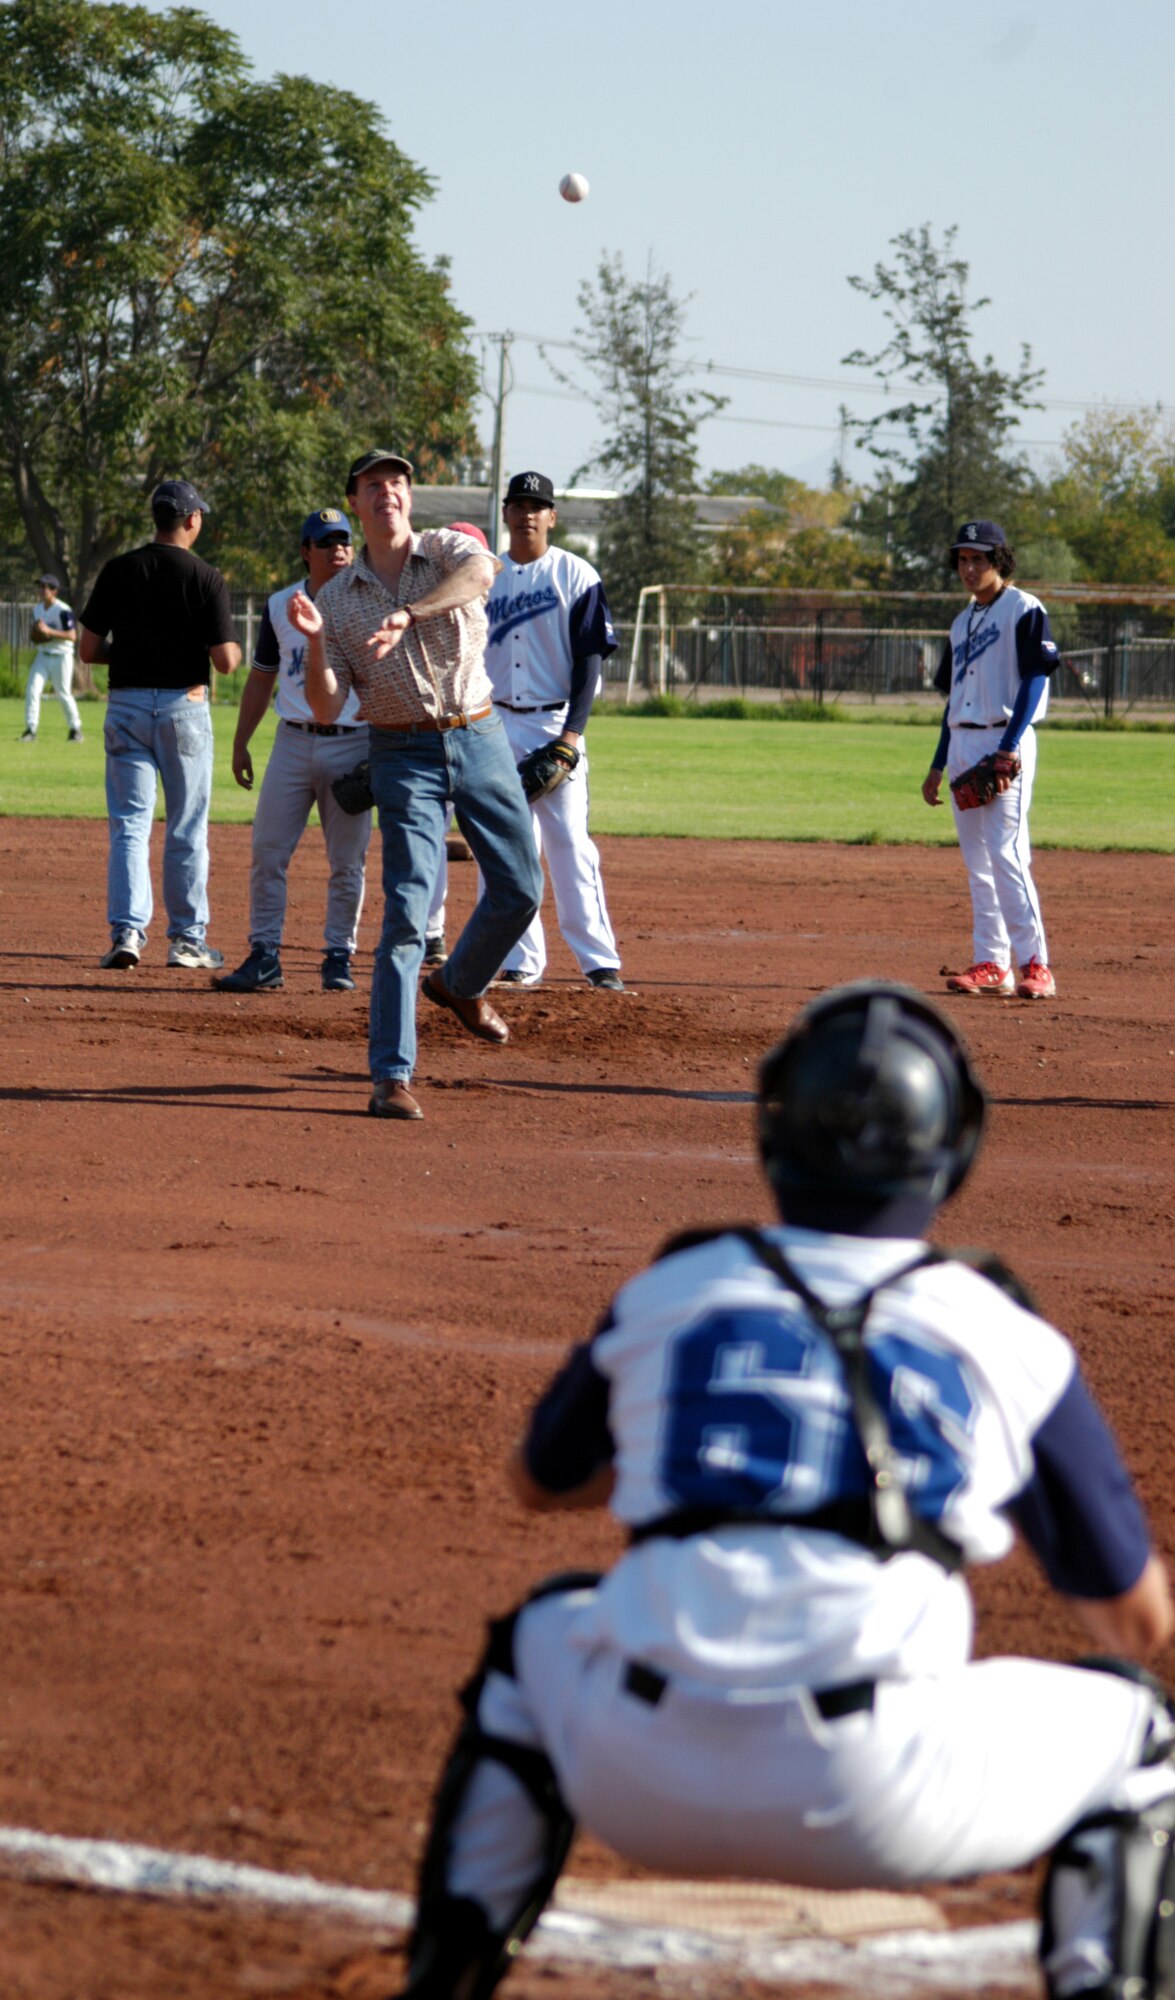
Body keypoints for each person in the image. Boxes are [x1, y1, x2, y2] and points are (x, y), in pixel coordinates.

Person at [397, 981, 1175, 2000]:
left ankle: (441, 1981)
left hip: (639, 1772)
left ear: (771, 1133)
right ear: (953, 1145)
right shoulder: (998, 1327)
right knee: (1142, 1731)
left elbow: (537, 1482)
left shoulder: (678, 1283)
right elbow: (1133, 1618)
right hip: (884, 1790)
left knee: (538, 1633)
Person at [290, 449, 543, 1122]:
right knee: (405, 913)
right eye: (374, 485)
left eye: (397, 482)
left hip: (478, 734)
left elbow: (480, 577)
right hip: (401, 752)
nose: (388, 494)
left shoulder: (447, 549)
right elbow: (324, 705)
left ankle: (458, 984)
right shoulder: (334, 602)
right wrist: (315, 642)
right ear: (355, 500)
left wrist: (411, 615)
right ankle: (390, 1076)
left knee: (521, 886)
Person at [79, 478, 241, 971]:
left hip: (125, 708)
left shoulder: (118, 569)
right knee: (186, 828)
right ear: (191, 519)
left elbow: (88, 650)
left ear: (157, 519)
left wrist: (128, 655)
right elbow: (227, 661)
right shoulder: (206, 577)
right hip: (183, 710)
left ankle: (127, 932)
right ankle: (188, 941)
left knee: (130, 826)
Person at [212, 508, 370, 994]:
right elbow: (261, 678)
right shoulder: (282, 604)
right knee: (267, 851)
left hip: (352, 743)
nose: (338, 549)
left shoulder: (369, 603)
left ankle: (339, 955)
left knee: (348, 861)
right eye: (326, 542)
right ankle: (264, 954)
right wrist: (240, 743)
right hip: (293, 741)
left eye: (344, 540)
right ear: (306, 552)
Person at [481, 470, 622, 990]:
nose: (527, 513)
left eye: (537, 505)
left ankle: (598, 961)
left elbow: (590, 662)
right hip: (492, 724)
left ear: (552, 517)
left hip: (552, 722)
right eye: (518, 504)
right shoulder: (485, 574)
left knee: (568, 845)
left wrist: (571, 737)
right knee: (503, 845)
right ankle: (519, 960)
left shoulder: (576, 575)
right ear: (505, 514)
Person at [922, 520, 1059, 1002]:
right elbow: (953, 699)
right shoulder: (961, 623)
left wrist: (1010, 746)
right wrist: (938, 764)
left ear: (999, 560)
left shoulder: (1024, 609)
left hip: (1005, 739)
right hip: (963, 743)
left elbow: (1036, 678)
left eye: (978, 558)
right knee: (978, 862)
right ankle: (991, 963)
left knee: (1007, 855)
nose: (969, 566)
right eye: (962, 558)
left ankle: (1036, 964)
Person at [21, 574, 84, 743]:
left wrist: (49, 631)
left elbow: (72, 636)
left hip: (62, 656)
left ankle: (75, 729)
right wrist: (37, 633)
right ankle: (30, 730)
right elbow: (36, 637)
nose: (41, 590)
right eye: (40, 586)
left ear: (54, 591)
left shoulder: (63, 610)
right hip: (43, 654)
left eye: (45, 587)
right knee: (32, 690)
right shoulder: (37, 609)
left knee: (63, 694)